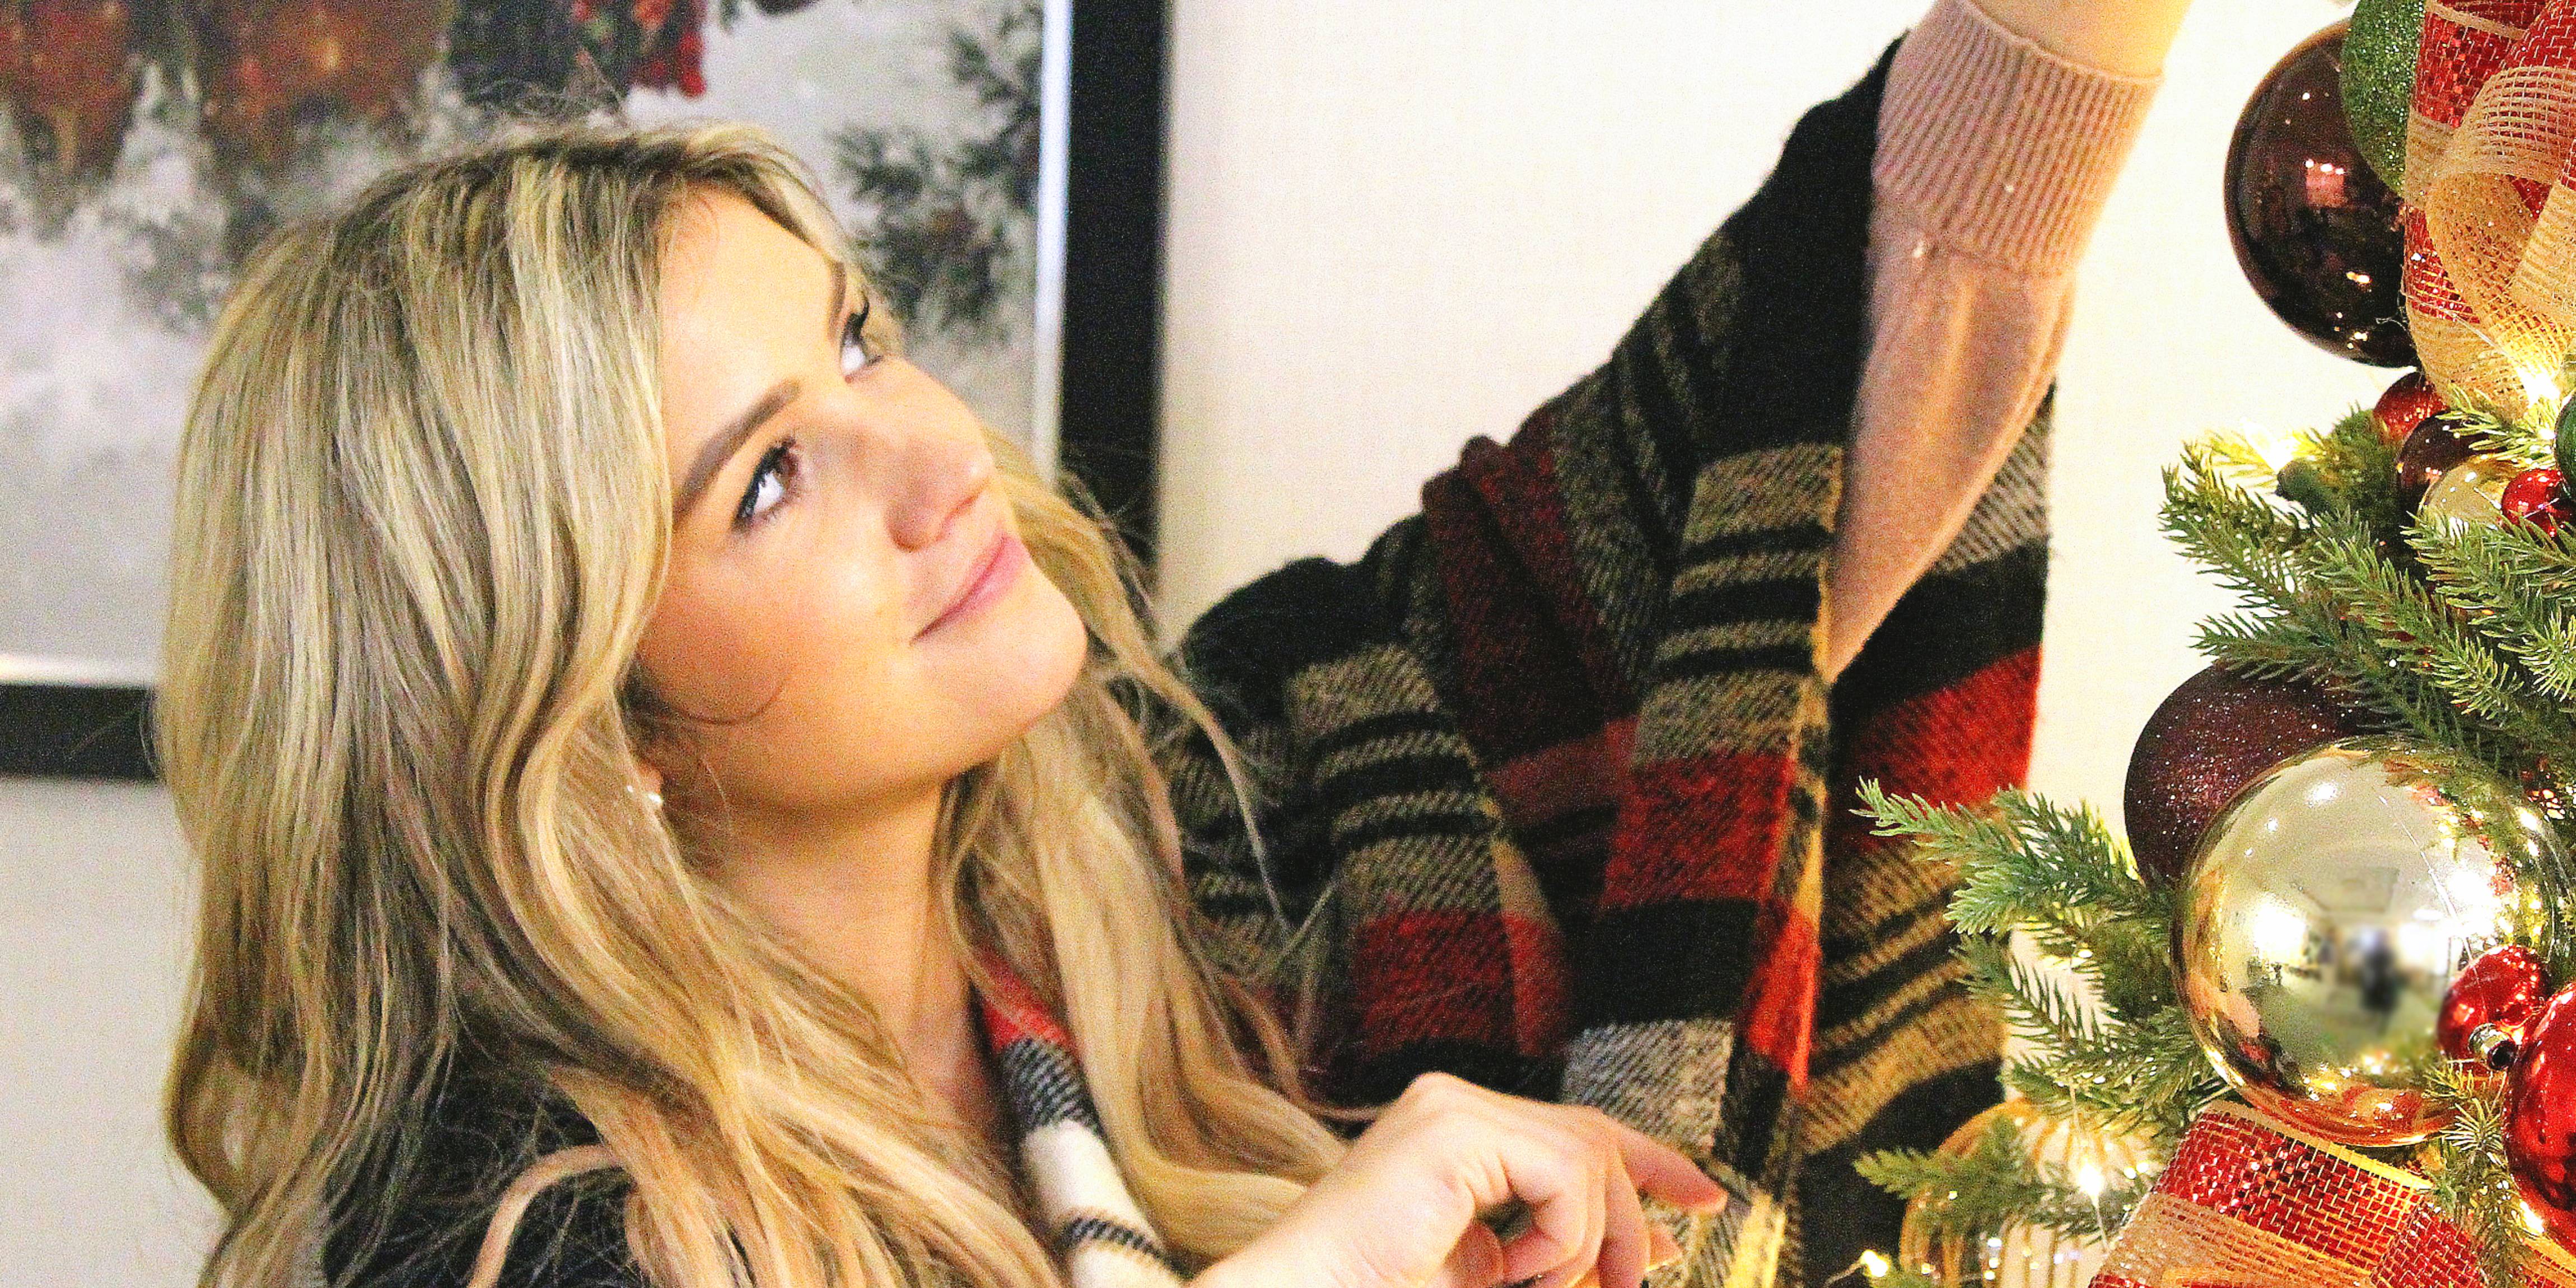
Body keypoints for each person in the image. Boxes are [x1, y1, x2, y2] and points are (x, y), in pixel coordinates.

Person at [156, 2, 2189, 1286]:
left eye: (858, 339)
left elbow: (1848, 341)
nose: (942, 455)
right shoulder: (511, 1226)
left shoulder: (1222, 813)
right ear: (590, 720)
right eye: (768, 478)